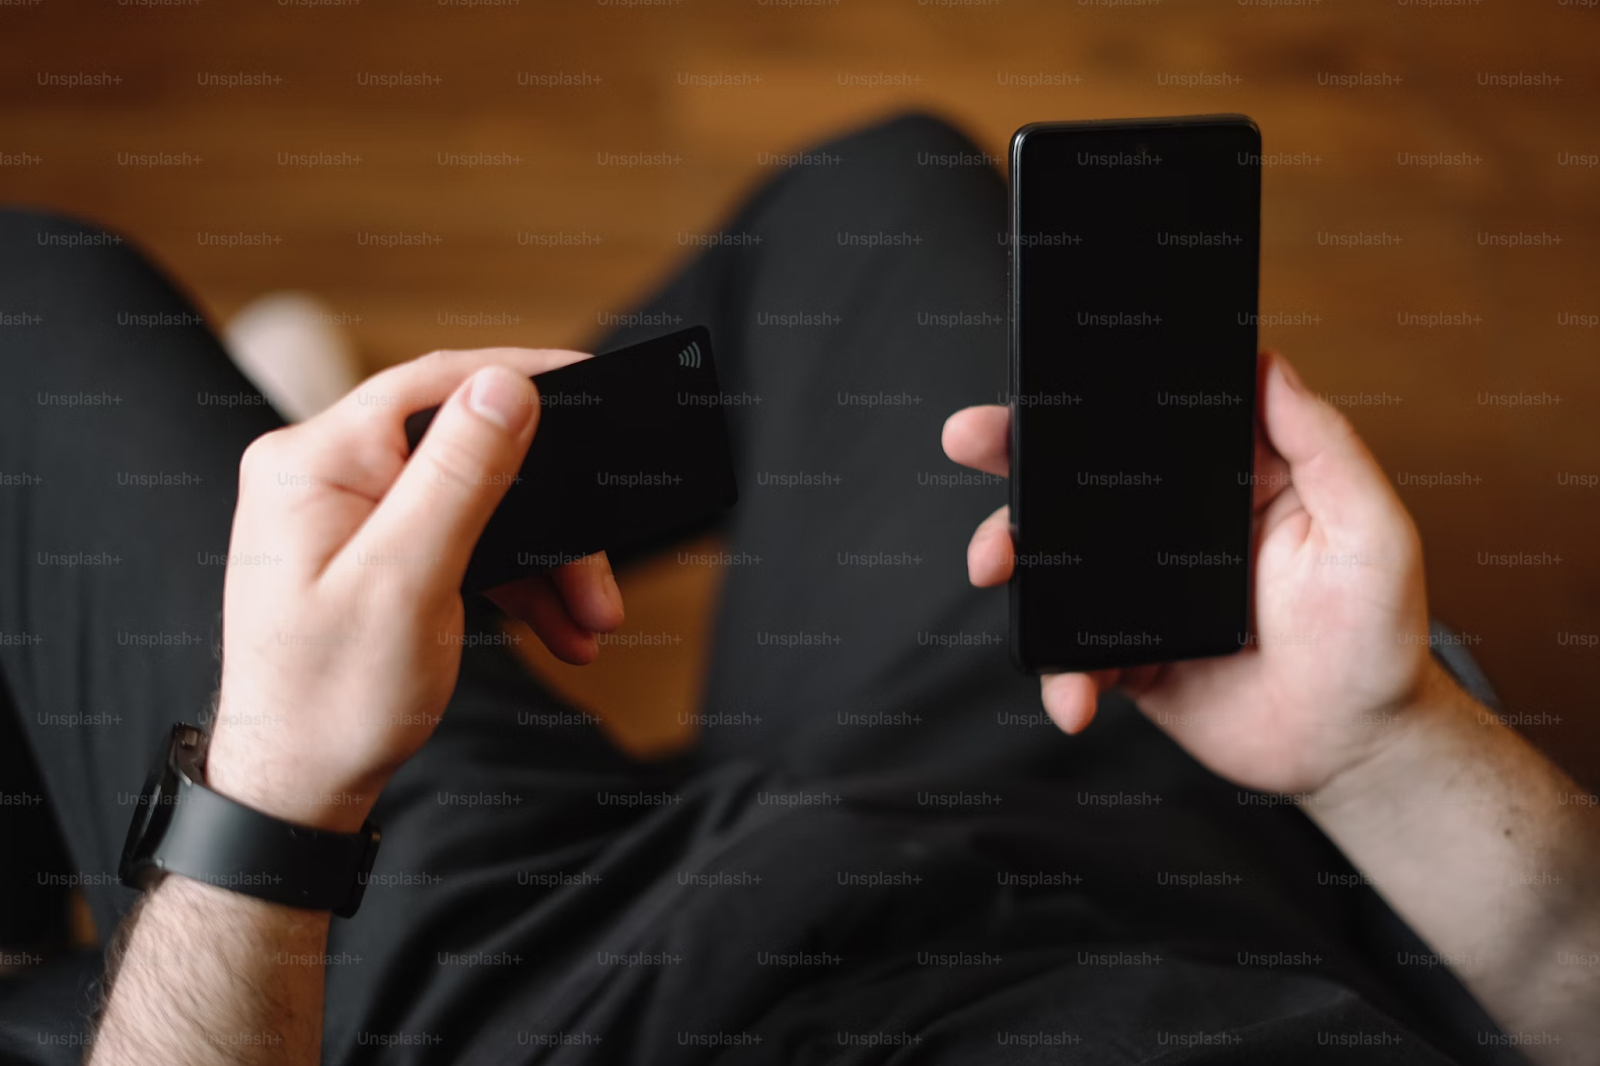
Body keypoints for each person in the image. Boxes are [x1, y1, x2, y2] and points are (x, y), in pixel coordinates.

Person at [0, 113, 1595, 1066]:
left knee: (28, 315)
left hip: (526, 1004)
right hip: (1141, 907)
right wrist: (1377, 739)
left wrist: (269, 818)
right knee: (883, 189)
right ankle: (436, 536)